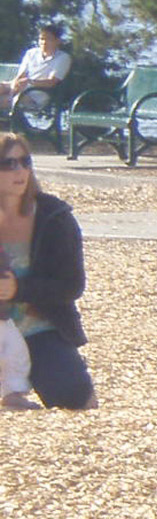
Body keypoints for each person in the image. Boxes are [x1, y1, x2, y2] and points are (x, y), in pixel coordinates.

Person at [0, 135, 94, 409]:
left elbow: (71, 285)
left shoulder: (54, 217)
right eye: (9, 163)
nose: (20, 171)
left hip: (38, 326)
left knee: (74, 397)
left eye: (25, 162)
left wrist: (20, 290)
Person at [5, 22, 71, 120]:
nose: (44, 42)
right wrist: (15, 85)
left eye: (48, 39)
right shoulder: (31, 53)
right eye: (41, 39)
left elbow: (51, 82)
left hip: (35, 97)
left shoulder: (63, 58)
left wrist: (29, 82)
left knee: (3, 100)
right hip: (20, 90)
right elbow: (21, 75)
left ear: (57, 41)